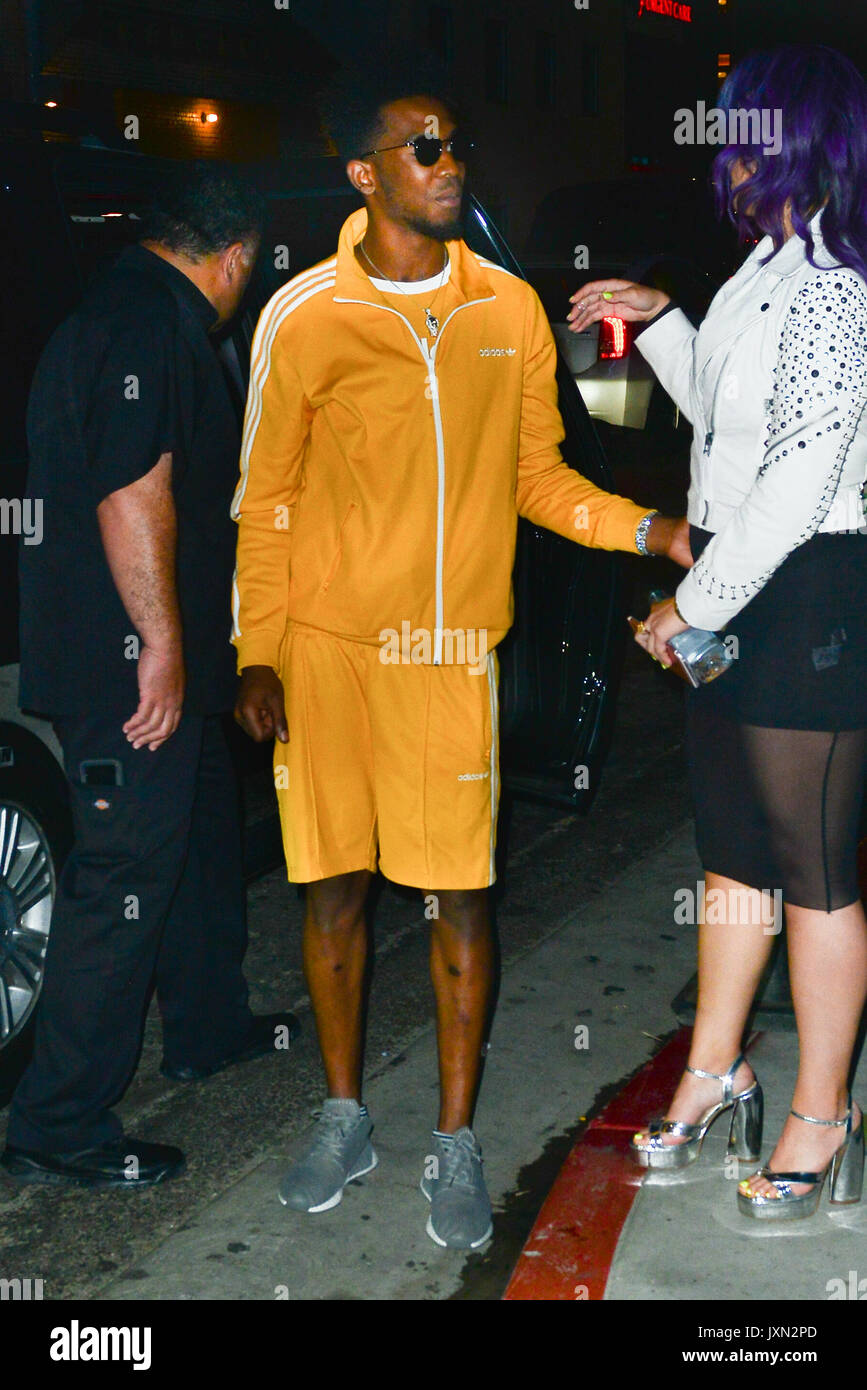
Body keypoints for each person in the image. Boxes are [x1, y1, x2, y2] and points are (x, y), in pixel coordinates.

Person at [232, 66, 690, 1249]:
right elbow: (265, 500)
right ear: (364, 173)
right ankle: (343, 1113)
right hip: (328, 658)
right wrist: (257, 651)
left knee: (460, 897)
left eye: (455, 145)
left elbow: (538, 477)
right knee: (331, 891)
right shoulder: (305, 315)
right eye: (422, 147)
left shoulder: (507, 312)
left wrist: (650, 529)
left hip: (448, 662)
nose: (449, 162)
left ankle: (454, 1136)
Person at [569, 44, 867, 1219]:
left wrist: (689, 603)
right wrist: (664, 323)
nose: (725, 152)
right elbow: (730, 432)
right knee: (733, 858)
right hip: (757, 584)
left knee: (819, 878)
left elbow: (798, 482)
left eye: (744, 130)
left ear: (800, 139)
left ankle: (823, 1113)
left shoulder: (839, 285)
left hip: (814, 594)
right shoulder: (762, 271)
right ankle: (716, 1069)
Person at [2, 167, 298, 1191]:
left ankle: (207, 1025)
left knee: (200, 835)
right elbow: (134, 493)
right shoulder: (147, 326)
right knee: (121, 881)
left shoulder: (120, 306)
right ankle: (61, 1119)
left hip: (152, 659)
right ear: (235, 258)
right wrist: (162, 648)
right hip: (125, 666)